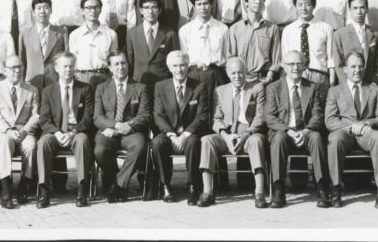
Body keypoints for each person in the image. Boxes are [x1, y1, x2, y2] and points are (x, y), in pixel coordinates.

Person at [198, 56, 268, 208]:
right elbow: (217, 119)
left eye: (241, 72)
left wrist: (245, 135)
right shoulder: (220, 91)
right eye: (234, 73)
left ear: (246, 72)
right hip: (227, 135)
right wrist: (226, 136)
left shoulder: (257, 88)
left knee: (257, 141)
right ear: (228, 73)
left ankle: (260, 193)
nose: (237, 76)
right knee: (206, 140)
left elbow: (260, 118)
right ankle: (207, 191)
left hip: (249, 134)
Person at [265, 51, 331, 209]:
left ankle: (322, 188)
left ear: (304, 66)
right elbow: (270, 117)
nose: (295, 67)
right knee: (279, 139)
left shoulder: (313, 87)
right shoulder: (274, 87)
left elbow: (317, 115)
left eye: (299, 64)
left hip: (306, 131)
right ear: (284, 66)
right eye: (291, 64)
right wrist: (289, 131)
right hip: (284, 132)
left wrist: (306, 131)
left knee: (316, 138)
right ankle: (278, 189)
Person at [325, 52, 378, 209]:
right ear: (345, 69)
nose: (357, 70)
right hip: (344, 132)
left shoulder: (374, 89)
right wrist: (351, 128)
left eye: (360, 66)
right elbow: (330, 121)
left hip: (366, 132)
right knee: (334, 139)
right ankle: (336, 188)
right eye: (353, 66)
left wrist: (365, 124)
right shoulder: (335, 91)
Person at [36, 51, 94, 209]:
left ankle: (82, 190)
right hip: (56, 132)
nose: (68, 70)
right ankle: (44, 190)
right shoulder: (48, 91)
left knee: (83, 141)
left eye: (71, 66)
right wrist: (57, 133)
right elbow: (44, 119)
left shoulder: (85, 89)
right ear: (56, 68)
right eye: (64, 66)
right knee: (42, 143)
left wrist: (73, 133)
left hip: (76, 132)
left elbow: (88, 117)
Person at [150, 51, 209, 205]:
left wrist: (184, 135)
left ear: (188, 66)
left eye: (182, 65)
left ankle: (192, 185)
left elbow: (201, 116)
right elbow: (158, 115)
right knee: (157, 143)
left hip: (190, 134)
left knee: (193, 142)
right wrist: (171, 135)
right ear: (169, 68)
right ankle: (165, 186)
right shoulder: (160, 87)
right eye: (175, 66)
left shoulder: (199, 86)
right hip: (169, 134)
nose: (179, 69)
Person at [93, 50, 151, 203]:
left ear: (128, 64)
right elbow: (97, 117)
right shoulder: (101, 88)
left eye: (123, 63)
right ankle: (116, 180)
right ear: (110, 67)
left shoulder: (140, 88)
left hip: (131, 132)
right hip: (108, 131)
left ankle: (118, 186)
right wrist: (115, 125)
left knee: (140, 147)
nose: (120, 67)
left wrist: (127, 127)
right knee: (99, 150)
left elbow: (144, 116)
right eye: (116, 64)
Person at [0, 55, 40, 209]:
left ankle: (24, 184)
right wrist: (8, 130)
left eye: (20, 67)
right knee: (4, 142)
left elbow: (36, 116)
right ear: (4, 71)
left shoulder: (32, 90)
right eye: (12, 68)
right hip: (2, 131)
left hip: (24, 131)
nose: (17, 70)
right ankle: (6, 189)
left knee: (31, 145)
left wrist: (25, 131)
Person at [179, 0, 228, 104]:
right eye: (199, 4)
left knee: (218, 108)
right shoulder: (186, 30)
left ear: (211, 4)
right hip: (194, 74)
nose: (203, 7)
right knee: (197, 109)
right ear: (194, 7)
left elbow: (227, 54)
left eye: (206, 3)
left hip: (216, 74)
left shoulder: (222, 28)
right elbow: (184, 56)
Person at [281, 0, 336, 91]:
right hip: (296, 76)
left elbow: (331, 59)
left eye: (307, 4)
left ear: (314, 6)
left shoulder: (326, 28)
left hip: (319, 77)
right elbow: (285, 59)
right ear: (295, 7)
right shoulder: (288, 30)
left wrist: (332, 84)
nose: (304, 8)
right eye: (300, 5)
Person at [227, 0, 282, 85]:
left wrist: (269, 76)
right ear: (246, 2)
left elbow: (276, 59)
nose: (258, 1)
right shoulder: (235, 29)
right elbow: (231, 58)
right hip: (241, 81)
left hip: (264, 80)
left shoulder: (272, 28)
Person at [126, 0, 179, 93]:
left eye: (154, 7)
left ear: (159, 10)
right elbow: (130, 62)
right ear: (141, 10)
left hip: (163, 84)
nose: (150, 11)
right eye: (146, 8)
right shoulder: (132, 33)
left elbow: (175, 62)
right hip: (139, 84)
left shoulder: (170, 34)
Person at [19, 0, 69, 92]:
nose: (42, 11)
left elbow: (66, 58)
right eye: (38, 8)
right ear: (33, 12)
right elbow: (22, 59)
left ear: (51, 10)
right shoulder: (25, 33)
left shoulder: (61, 33)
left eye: (46, 7)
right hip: (31, 81)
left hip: (55, 80)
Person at [332, 0, 378, 86]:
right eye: (355, 8)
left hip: (370, 85)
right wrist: (346, 85)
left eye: (362, 8)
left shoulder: (375, 34)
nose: (359, 11)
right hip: (348, 85)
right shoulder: (339, 34)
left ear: (367, 9)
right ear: (350, 10)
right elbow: (338, 64)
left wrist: (375, 82)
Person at [69, 0, 118, 90]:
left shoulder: (111, 34)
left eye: (96, 7)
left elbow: (114, 61)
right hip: (81, 78)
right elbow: (72, 61)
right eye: (88, 8)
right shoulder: (75, 35)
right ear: (82, 11)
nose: (93, 11)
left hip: (104, 77)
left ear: (100, 9)